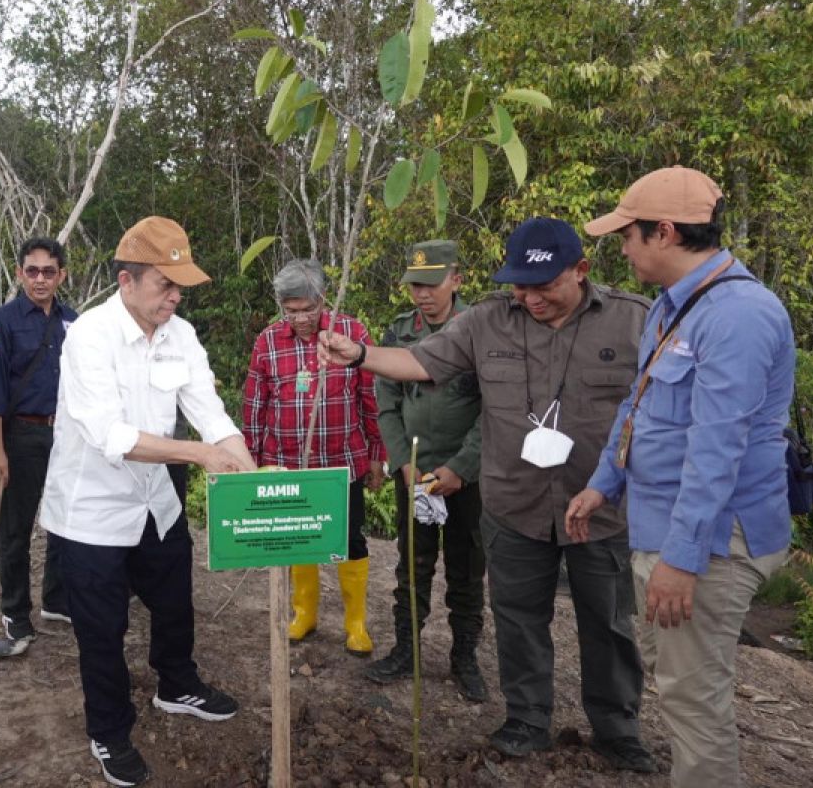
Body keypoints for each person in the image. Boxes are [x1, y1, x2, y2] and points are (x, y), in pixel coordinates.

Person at [320, 218, 656, 772]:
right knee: (520, 617)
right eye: (518, 285)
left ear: (581, 271)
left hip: (599, 508)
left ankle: (618, 729)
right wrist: (359, 355)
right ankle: (527, 718)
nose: (528, 297)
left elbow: (667, 402)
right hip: (515, 504)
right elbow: (420, 362)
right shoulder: (487, 322)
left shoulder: (633, 321)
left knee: (608, 623)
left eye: (542, 286)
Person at [568, 167, 794, 786]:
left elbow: (717, 447)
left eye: (629, 235)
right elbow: (639, 405)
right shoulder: (679, 304)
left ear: (664, 232)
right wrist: (603, 482)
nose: (622, 247)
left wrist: (682, 558)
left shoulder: (738, 316)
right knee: (684, 694)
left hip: (710, 542)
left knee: (693, 703)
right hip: (671, 528)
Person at [40, 216, 256, 787]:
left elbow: (208, 410)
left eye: (181, 285)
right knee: (102, 628)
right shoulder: (89, 335)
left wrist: (246, 468)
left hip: (155, 498)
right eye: (167, 285)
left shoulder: (179, 334)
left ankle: (177, 684)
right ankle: (108, 732)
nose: (176, 296)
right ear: (127, 281)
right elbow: (110, 435)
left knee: (173, 597)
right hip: (91, 511)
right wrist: (203, 456)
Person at [242, 259, 386, 656]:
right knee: (298, 539)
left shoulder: (352, 333)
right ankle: (304, 613)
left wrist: (377, 454)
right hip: (287, 462)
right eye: (292, 310)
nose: (301, 318)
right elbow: (255, 403)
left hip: (343, 461)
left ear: (323, 299)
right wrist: (252, 459)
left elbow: (370, 398)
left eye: (308, 308)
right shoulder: (268, 341)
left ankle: (355, 623)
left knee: (350, 538)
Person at [364, 240, 486, 702]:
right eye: (415, 285)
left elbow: (493, 411)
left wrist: (462, 467)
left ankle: (464, 659)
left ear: (456, 278)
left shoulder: (479, 330)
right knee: (411, 563)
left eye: (431, 283)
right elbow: (387, 404)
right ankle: (406, 651)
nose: (422, 294)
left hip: (466, 476)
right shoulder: (399, 333)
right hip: (413, 472)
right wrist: (404, 464)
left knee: (467, 568)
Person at [0, 237, 78, 647]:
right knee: (15, 528)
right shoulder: (0, 321)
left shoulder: (74, 321)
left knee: (65, 520)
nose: (40, 279)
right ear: (20, 273)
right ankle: (14, 611)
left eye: (49, 271)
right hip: (20, 434)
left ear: (62, 276)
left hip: (66, 435)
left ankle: (56, 599)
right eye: (32, 270)